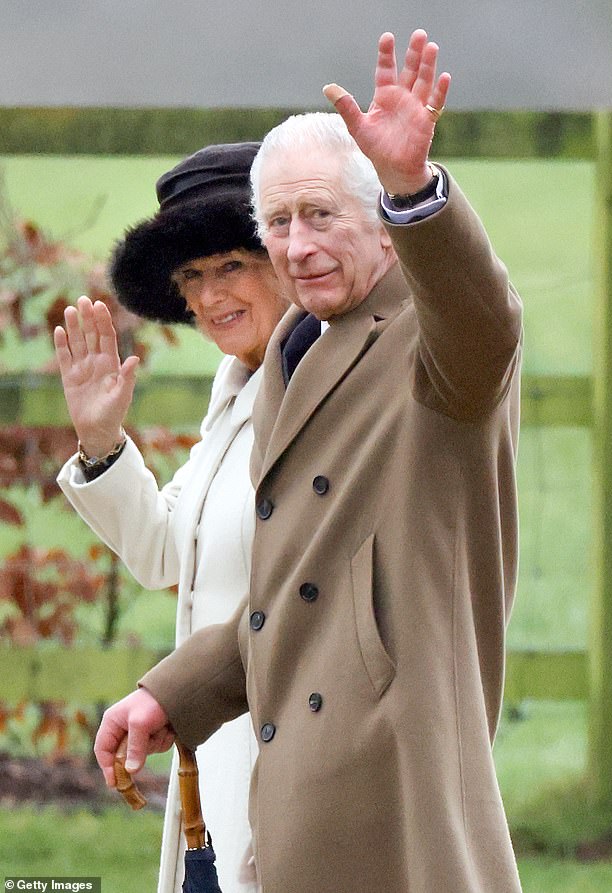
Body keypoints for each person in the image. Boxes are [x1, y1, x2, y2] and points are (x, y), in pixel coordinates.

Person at [93, 29, 523, 892]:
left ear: (383, 227)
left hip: (397, 791)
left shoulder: (433, 341)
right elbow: (296, 596)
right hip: (298, 788)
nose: (298, 244)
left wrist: (416, 189)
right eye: (280, 223)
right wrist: (173, 693)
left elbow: (486, 322)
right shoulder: (294, 351)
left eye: (323, 214)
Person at [54, 142, 288, 893]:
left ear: (282, 259)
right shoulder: (235, 390)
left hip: (291, 764)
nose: (210, 294)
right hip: (210, 763)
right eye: (191, 276)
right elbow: (164, 554)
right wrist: (99, 440)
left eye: (230, 266)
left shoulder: (323, 388)